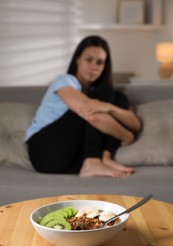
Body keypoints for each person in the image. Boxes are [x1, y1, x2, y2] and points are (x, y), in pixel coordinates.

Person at [25, 35, 141, 178]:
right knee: (101, 96)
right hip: (44, 150)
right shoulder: (65, 81)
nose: (94, 67)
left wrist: (110, 108)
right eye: (88, 59)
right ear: (77, 59)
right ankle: (93, 160)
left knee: (118, 97)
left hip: (71, 158)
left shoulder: (98, 94)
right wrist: (127, 136)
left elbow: (136, 124)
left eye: (100, 62)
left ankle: (104, 157)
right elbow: (93, 117)